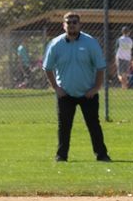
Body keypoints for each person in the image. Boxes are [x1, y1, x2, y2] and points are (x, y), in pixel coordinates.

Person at [44, 13, 110, 162]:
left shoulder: (90, 43)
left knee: (94, 125)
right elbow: (47, 68)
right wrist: (56, 88)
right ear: (63, 25)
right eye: (68, 22)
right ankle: (61, 156)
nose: (71, 25)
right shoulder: (55, 44)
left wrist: (95, 89)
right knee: (64, 127)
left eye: (75, 22)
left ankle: (102, 155)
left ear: (80, 25)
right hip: (65, 93)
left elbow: (100, 68)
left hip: (88, 94)